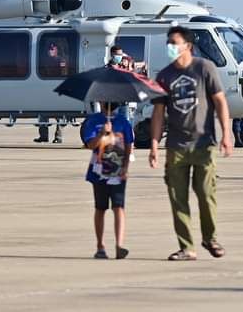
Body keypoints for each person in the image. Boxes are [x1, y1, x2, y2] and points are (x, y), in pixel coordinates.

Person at [149, 26, 233, 261]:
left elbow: (220, 101)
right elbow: (158, 113)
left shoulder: (204, 68)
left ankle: (210, 238)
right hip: (176, 146)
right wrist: (154, 145)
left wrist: (226, 134)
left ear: (188, 46)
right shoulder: (164, 76)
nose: (170, 47)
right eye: (168, 43)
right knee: (178, 198)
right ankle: (187, 247)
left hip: (203, 144)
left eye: (174, 43)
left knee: (206, 194)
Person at [80, 101, 133, 260]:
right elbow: (90, 145)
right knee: (101, 207)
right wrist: (102, 133)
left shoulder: (123, 122)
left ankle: (119, 245)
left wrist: (126, 167)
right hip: (99, 172)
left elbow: (129, 145)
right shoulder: (94, 121)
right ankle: (100, 245)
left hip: (117, 171)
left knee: (118, 207)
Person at [34, 42, 65, 144]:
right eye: (49, 49)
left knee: (59, 115)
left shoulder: (61, 60)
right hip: (46, 88)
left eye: (52, 49)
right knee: (43, 113)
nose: (50, 51)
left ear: (56, 50)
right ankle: (43, 136)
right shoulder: (45, 61)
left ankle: (58, 137)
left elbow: (64, 73)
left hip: (57, 89)